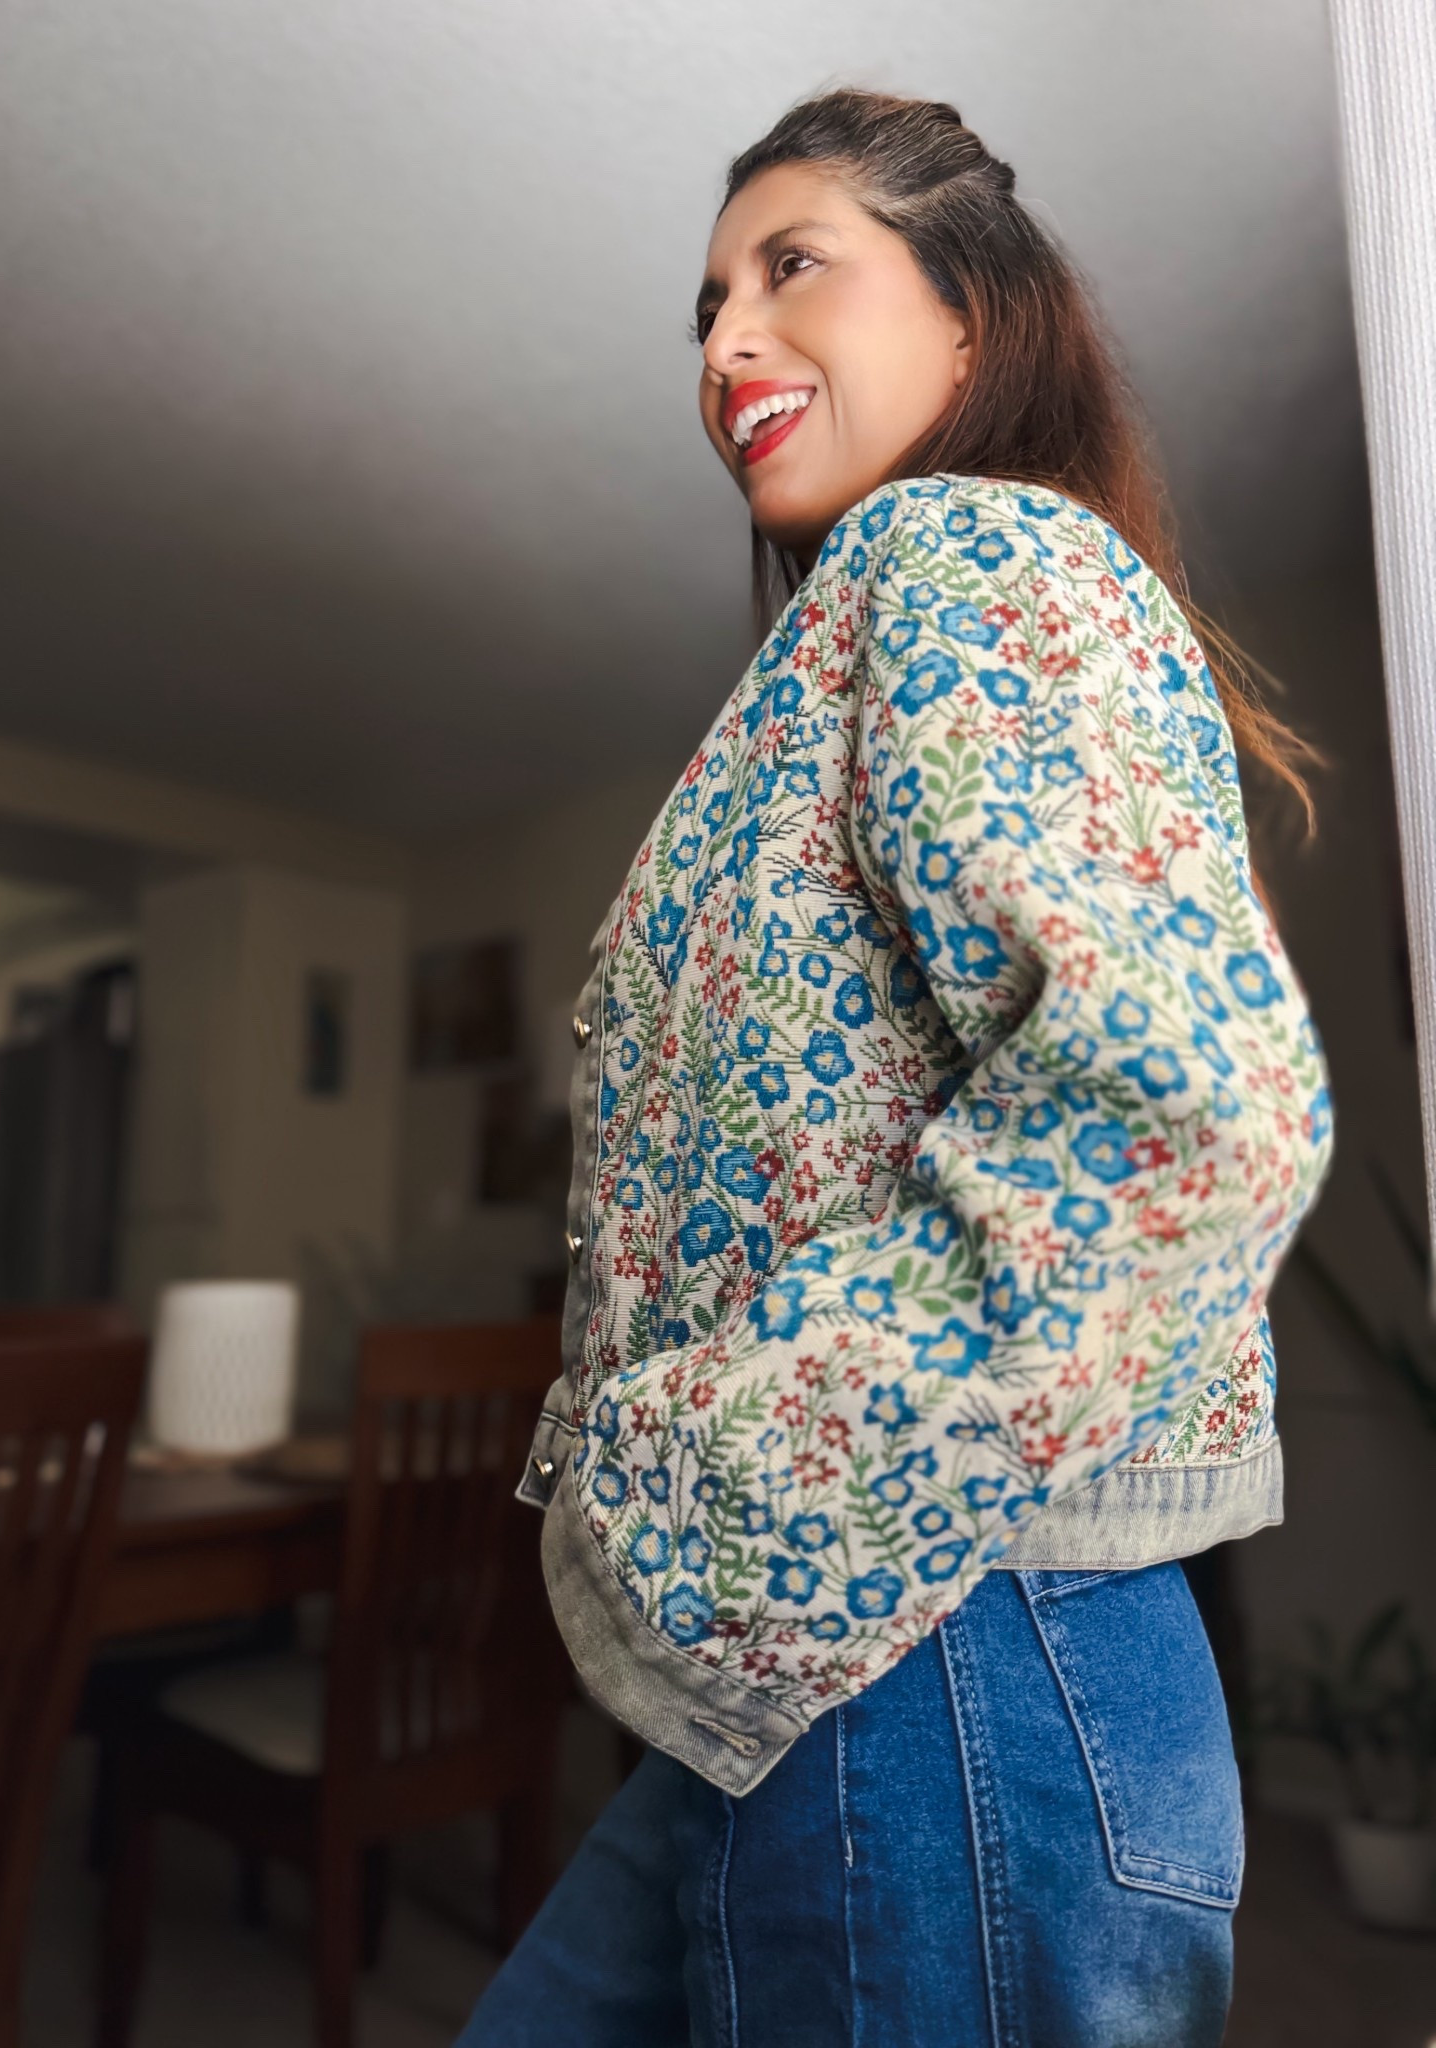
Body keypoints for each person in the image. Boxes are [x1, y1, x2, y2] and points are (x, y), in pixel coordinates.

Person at [459, 87, 1335, 2048]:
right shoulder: (852, 642)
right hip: (805, 1663)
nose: (720, 348)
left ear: (970, 316)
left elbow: (1189, 1094)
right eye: (699, 309)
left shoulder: (959, 554)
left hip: (947, 1648)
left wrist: (752, 1477)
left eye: (792, 269)